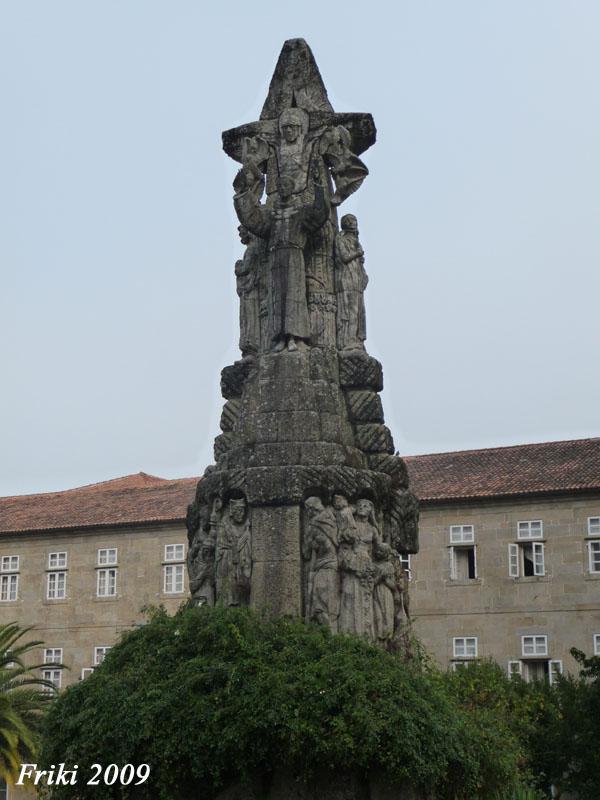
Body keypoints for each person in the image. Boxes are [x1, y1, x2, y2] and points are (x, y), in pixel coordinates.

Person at [234, 169, 330, 352]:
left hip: (294, 255)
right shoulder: (272, 214)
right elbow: (253, 220)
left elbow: (319, 213)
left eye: (286, 185)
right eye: (280, 186)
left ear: (291, 189)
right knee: (277, 298)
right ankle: (279, 337)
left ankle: (295, 337)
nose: (283, 188)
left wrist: (318, 186)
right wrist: (242, 193)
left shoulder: (300, 212)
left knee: (295, 296)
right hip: (276, 256)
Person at [334, 214, 368, 351]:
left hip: (356, 279)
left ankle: (356, 339)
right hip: (347, 278)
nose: (353, 223)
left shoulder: (355, 241)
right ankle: (348, 341)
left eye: (354, 220)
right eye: (350, 221)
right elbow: (344, 257)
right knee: (350, 310)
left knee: (359, 311)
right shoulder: (341, 240)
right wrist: (357, 254)